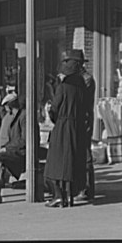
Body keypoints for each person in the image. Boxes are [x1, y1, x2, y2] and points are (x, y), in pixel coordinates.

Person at [43, 49, 90, 208]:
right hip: (77, 127)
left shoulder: (63, 87)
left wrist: (51, 113)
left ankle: (58, 196)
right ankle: (70, 195)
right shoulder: (82, 85)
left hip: (63, 126)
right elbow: (86, 108)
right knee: (72, 162)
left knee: (56, 162)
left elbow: (55, 108)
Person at [75, 59, 97, 203]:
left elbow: (81, 98)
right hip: (80, 118)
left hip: (84, 119)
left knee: (85, 153)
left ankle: (86, 188)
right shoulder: (79, 79)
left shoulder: (86, 79)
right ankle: (81, 186)